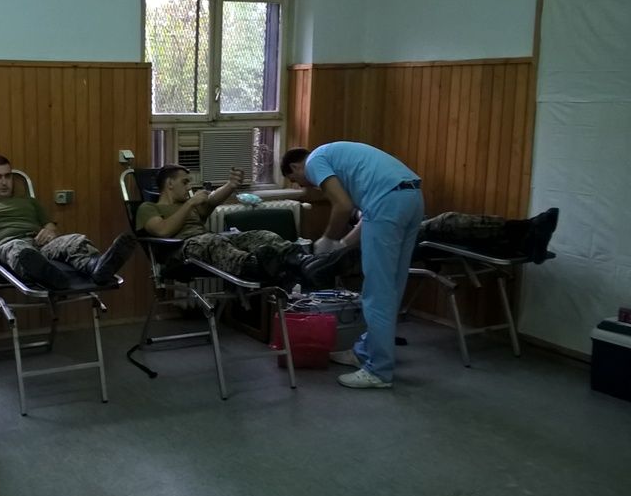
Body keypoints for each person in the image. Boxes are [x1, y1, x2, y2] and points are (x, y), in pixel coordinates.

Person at [281, 141, 423, 389]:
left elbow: (343, 206)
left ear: (295, 166)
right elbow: (368, 216)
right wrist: (342, 244)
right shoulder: (338, 157)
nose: (303, 186)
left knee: (377, 292)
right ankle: (364, 351)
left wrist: (327, 239)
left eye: (296, 180)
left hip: (387, 203)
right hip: (411, 198)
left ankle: (378, 371)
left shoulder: (314, 161)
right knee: (392, 286)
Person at [0, 155, 136, 290]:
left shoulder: (29, 202)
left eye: (8, 176)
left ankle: (95, 266)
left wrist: (50, 231)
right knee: (20, 250)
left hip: (40, 246)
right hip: (6, 247)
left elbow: (50, 226)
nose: (5, 182)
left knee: (75, 240)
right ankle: (48, 276)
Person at [136, 164, 333, 285]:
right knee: (213, 241)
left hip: (210, 242)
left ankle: (305, 262)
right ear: (170, 184)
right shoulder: (148, 208)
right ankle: (258, 266)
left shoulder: (190, 206)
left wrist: (231, 185)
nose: (189, 187)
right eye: (185, 182)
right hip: (181, 251)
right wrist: (190, 203)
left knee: (263, 235)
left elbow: (212, 201)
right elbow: (162, 231)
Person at [335, 209, 560, 264]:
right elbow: (364, 217)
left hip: (415, 230)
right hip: (398, 242)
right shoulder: (357, 205)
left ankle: (522, 238)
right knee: (446, 221)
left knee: (451, 226)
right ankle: (525, 229)